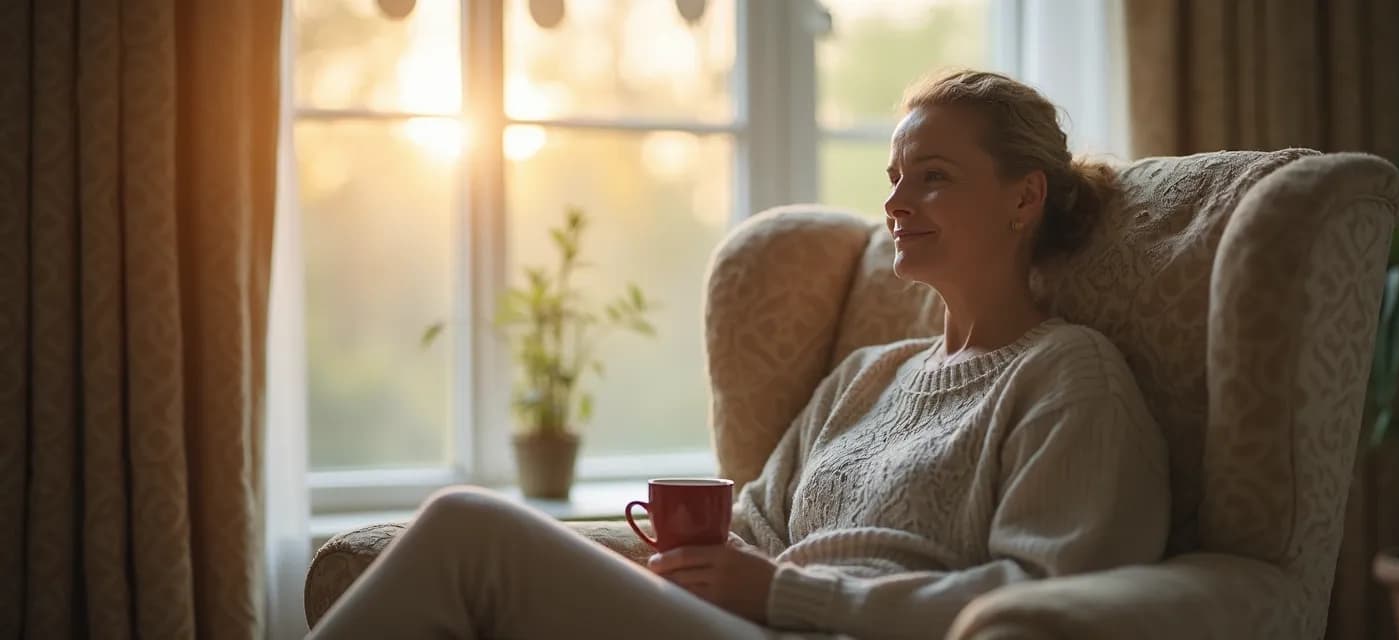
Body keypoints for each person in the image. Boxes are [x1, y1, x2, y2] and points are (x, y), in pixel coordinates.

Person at [308, 69, 1170, 640]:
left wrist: (787, 596)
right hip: (747, 626)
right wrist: (671, 573)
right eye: (894, 176)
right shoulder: (866, 378)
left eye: (933, 175)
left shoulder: (1067, 377)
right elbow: (755, 533)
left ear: (1024, 198)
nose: (898, 201)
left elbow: (1042, 601)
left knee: (472, 530)